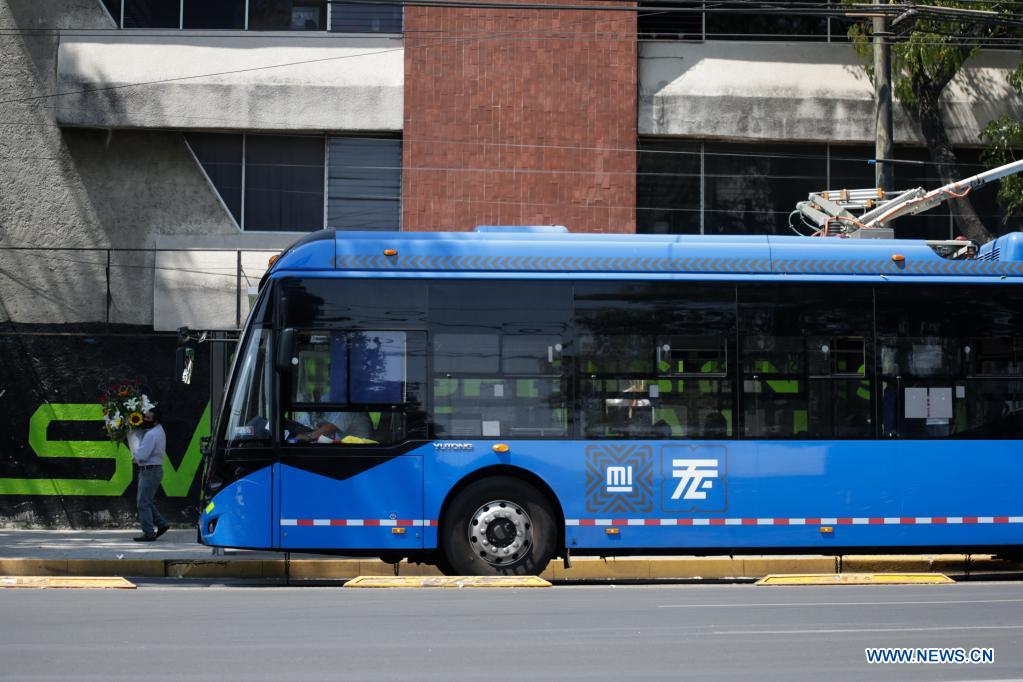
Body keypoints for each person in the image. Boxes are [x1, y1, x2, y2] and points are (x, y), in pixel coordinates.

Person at [130, 407, 170, 542]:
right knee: (146, 501)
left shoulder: (151, 434)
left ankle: (149, 533)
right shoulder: (159, 431)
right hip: (153, 470)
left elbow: (142, 454)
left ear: (155, 420)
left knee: (143, 503)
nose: (144, 420)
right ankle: (162, 524)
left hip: (149, 471)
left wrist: (135, 457)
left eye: (147, 418)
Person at [292, 411, 374, 443]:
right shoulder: (344, 408)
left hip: (359, 449)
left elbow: (332, 427)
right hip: (351, 446)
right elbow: (328, 424)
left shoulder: (350, 411)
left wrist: (308, 436)